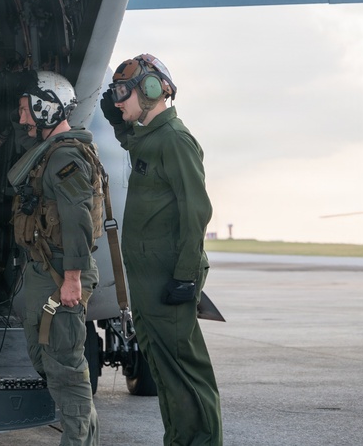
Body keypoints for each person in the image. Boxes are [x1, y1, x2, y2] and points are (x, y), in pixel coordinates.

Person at [100, 53, 223, 446]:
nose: (118, 101)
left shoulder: (176, 141)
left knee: (186, 374)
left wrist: (187, 277)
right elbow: (136, 142)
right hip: (149, 282)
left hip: (169, 278)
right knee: (166, 374)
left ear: (153, 90)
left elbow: (196, 211)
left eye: (124, 93)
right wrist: (117, 121)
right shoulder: (151, 137)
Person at [7, 71, 101, 446]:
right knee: (46, 357)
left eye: (26, 109)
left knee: (65, 369)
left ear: (46, 107)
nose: (22, 118)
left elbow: (77, 217)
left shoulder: (65, 156)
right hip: (46, 270)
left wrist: (73, 277)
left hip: (62, 271)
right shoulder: (49, 152)